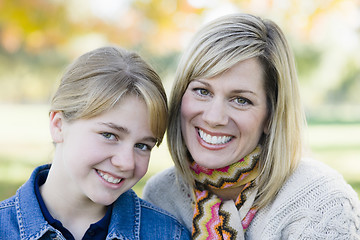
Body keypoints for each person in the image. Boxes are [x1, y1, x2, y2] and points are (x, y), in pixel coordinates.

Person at [143, 13, 360, 239]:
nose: (214, 117)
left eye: (241, 100)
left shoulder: (322, 203)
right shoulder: (161, 196)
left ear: (271, 116)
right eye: (202, 91)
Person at [0, 46, 190, 239]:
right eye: (109, 135)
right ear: (58, 126)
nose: (126, 163)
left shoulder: (170, 234)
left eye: (142, 146)